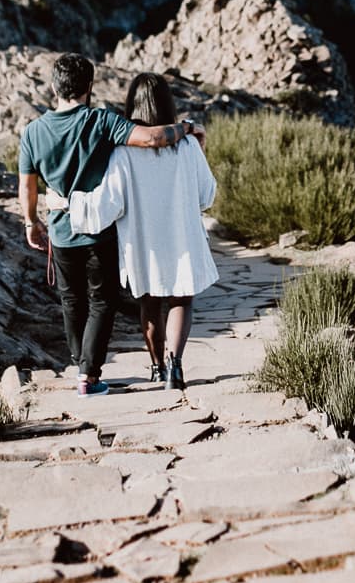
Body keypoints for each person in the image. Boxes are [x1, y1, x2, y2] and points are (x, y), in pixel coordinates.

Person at [17, 53, 200, 395]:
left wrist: (31, 222)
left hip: (61, 230)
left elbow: (27, 184)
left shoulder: (32, 132)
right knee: (103, 301)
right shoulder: (101, 121)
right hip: (100, 231)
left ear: (54, 87)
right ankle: (89, 374)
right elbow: (151, 138)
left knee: (71, 301)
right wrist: (187, 128)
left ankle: (82, 367)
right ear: (89, 87)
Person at [74, 73, 218, 391]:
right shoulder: (189, 146)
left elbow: (109, 204)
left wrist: (72, 204)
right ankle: (176, 368)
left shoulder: (123, 152)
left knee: (150, 305)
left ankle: (157, 367)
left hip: (144, 242)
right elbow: (206, 196)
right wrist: (201, 148)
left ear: (132, 106)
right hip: (182, 236)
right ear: (169, 104)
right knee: (182, 300)